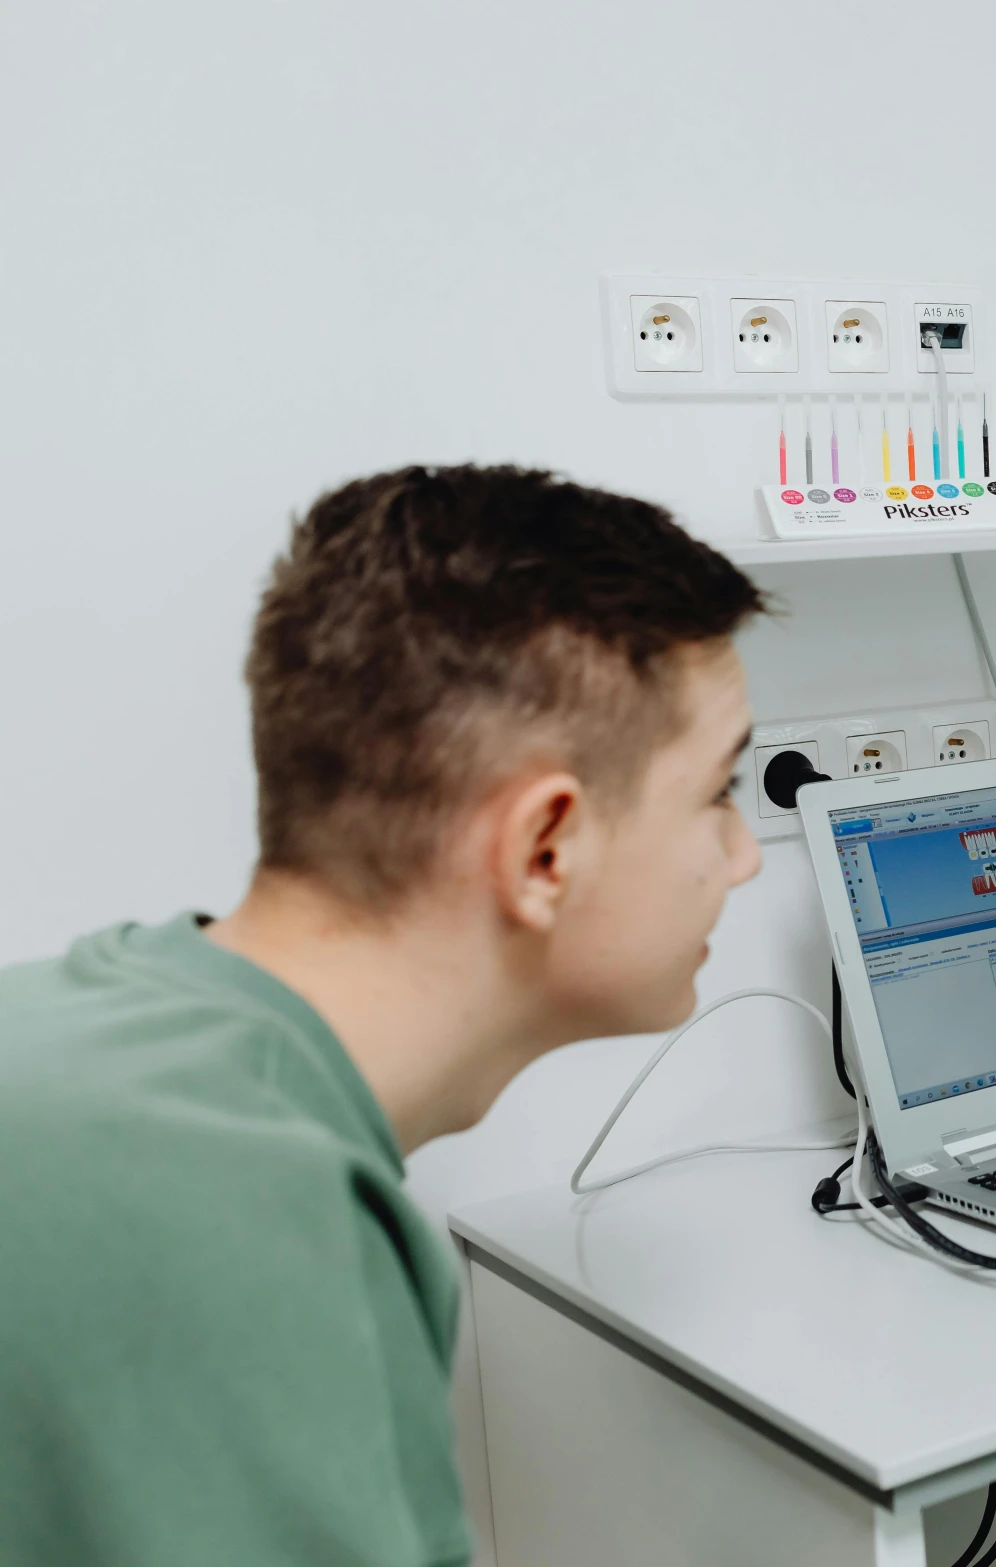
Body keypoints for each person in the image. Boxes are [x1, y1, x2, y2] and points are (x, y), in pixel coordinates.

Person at [0, 466, 767, 1565]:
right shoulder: (246, 1216)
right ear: (543, 850)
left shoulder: (95, 1033)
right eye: (718, 793)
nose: (742, 858)